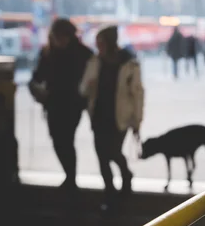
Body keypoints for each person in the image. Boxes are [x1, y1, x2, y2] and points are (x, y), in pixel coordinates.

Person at [79, 26, 144, 211]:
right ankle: (109, 193)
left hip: (120, 118)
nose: (98, 46)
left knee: (113, 152)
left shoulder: (129, 64)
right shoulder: (95, 62)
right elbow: (83, 89)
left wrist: (136, 121)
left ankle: (125, 176)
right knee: (102, 156)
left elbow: (137, 94)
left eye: (100, 43)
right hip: (98, 116)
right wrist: (88, 86)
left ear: (109, 43)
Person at [28, 19, 93, 192]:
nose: (60, 40)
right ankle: (69, 175)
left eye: (63, 37)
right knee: (57, 140)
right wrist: (36, 91)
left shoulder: (82, 53)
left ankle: (71, 178)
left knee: (66, 139)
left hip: (73, 104)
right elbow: (37, 77)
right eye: (57, 37)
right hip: (53, 103)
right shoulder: (48, 53)